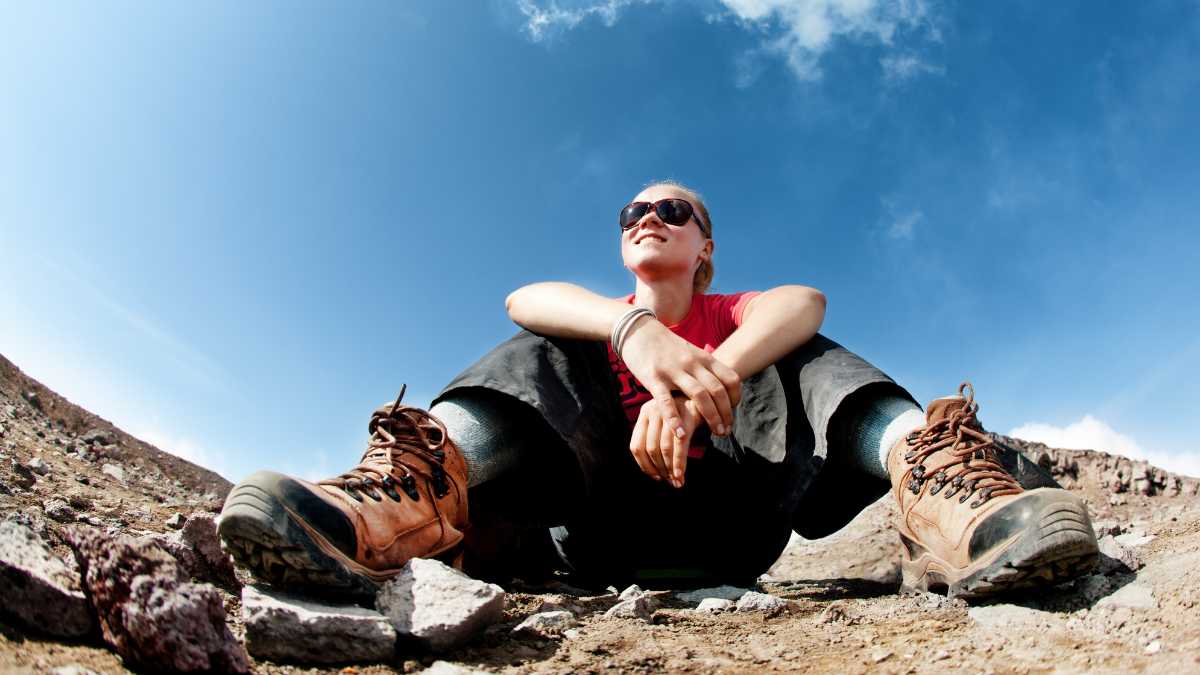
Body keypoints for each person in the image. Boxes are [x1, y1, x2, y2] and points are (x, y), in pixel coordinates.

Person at [218, 181, 1099, 600]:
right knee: (542, 346)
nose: (649, 218)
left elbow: (804, 302)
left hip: (732, 521)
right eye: (635, 213)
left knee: (805, 353)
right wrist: (634, 332)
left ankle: (953, 500)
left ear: (705, 247)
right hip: (596, 527)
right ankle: (387, 504)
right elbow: (525, 296)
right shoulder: (600, 313)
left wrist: (696, 384)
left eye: (673, 211)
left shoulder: (734, 308)